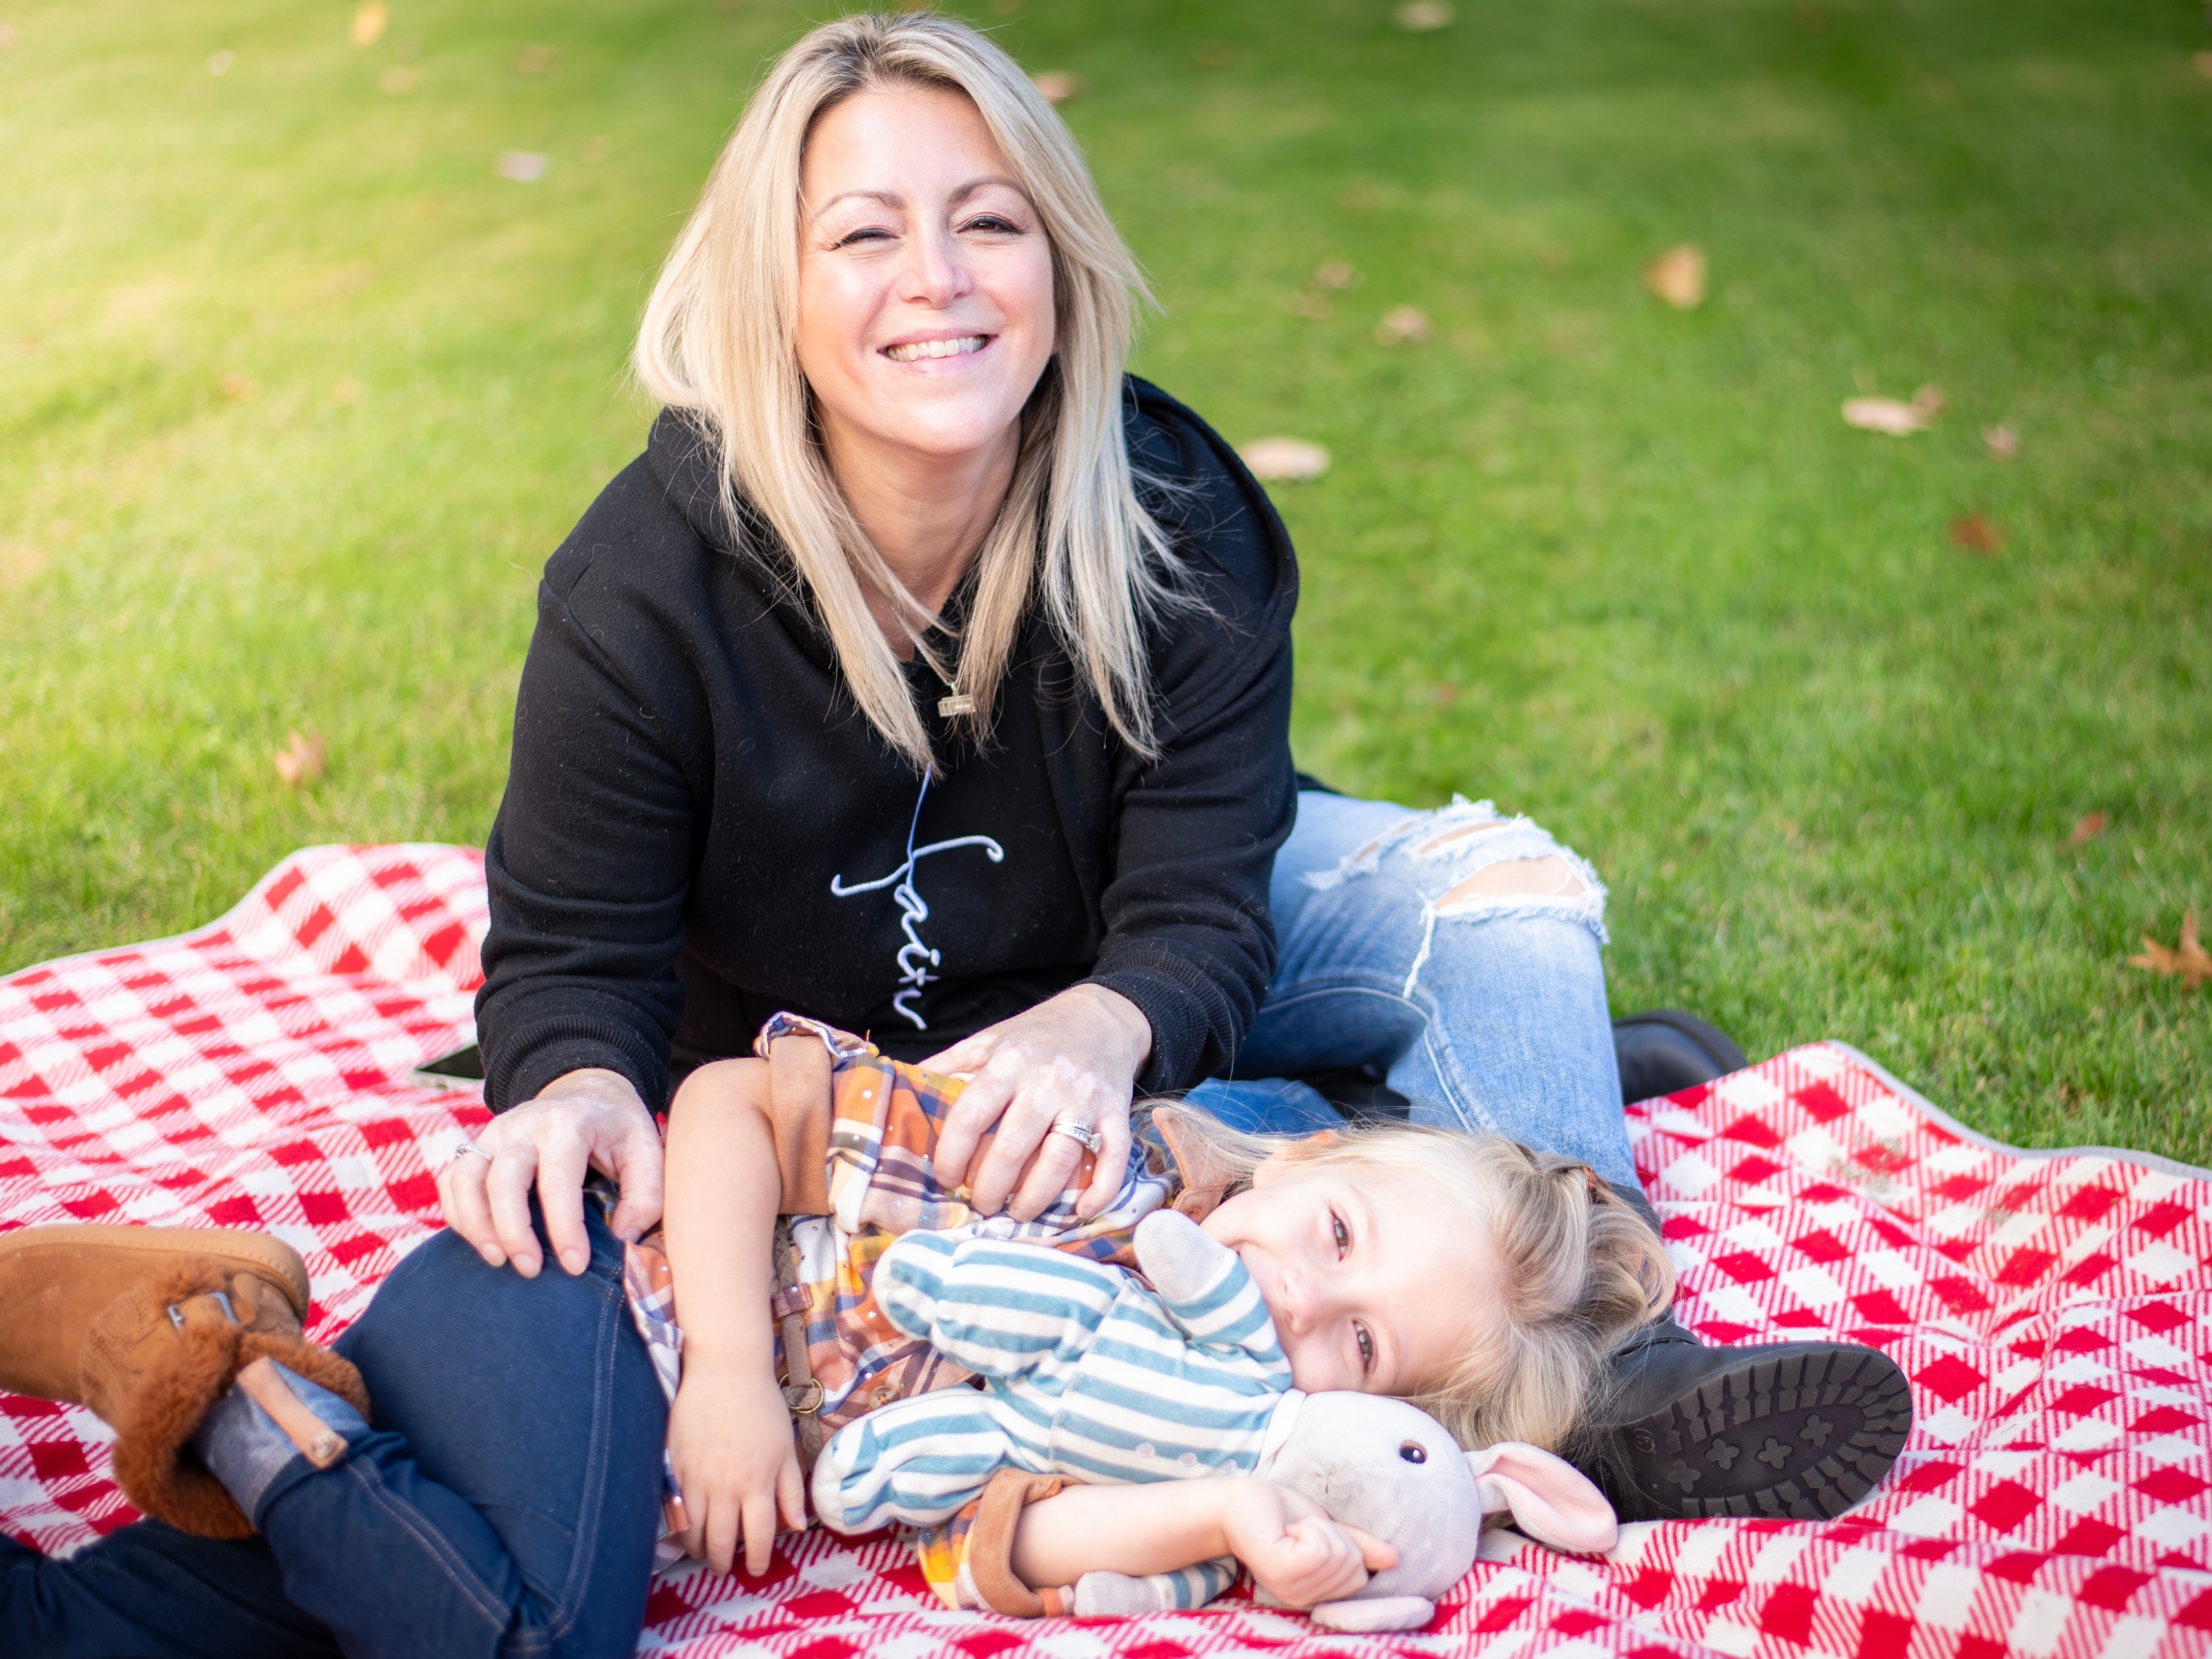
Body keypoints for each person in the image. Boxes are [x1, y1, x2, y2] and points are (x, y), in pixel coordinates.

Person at [0, 11, 1910, 1655]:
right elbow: (566, 956)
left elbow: (1200, 907)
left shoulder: (1175, 517)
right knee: (1267, 1178)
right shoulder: (648, 579)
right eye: (867, 233)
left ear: (1059, 267)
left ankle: (1590, 1325)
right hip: (821, 1070)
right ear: (778, 289)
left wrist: (1110, 1023)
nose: (942, 276)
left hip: (1104, 1014)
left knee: (1495, 893)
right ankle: (1412, 1120)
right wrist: (572, 1081)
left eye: (992, 221)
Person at [0, 1006, 1684, 1654]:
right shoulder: (1071, 1166)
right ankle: (209, 1345)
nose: (1302, 1303)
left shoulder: (1208, 1422)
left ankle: (227, 1421)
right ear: (1308, 1158)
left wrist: (1238, 1517)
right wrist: (733, 1372)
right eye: (1334, 1236)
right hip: (581, 1311)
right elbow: (729, 1106)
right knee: (524, 1652)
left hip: (458, 1489)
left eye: (1363, 1351)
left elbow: (1017, 1548)